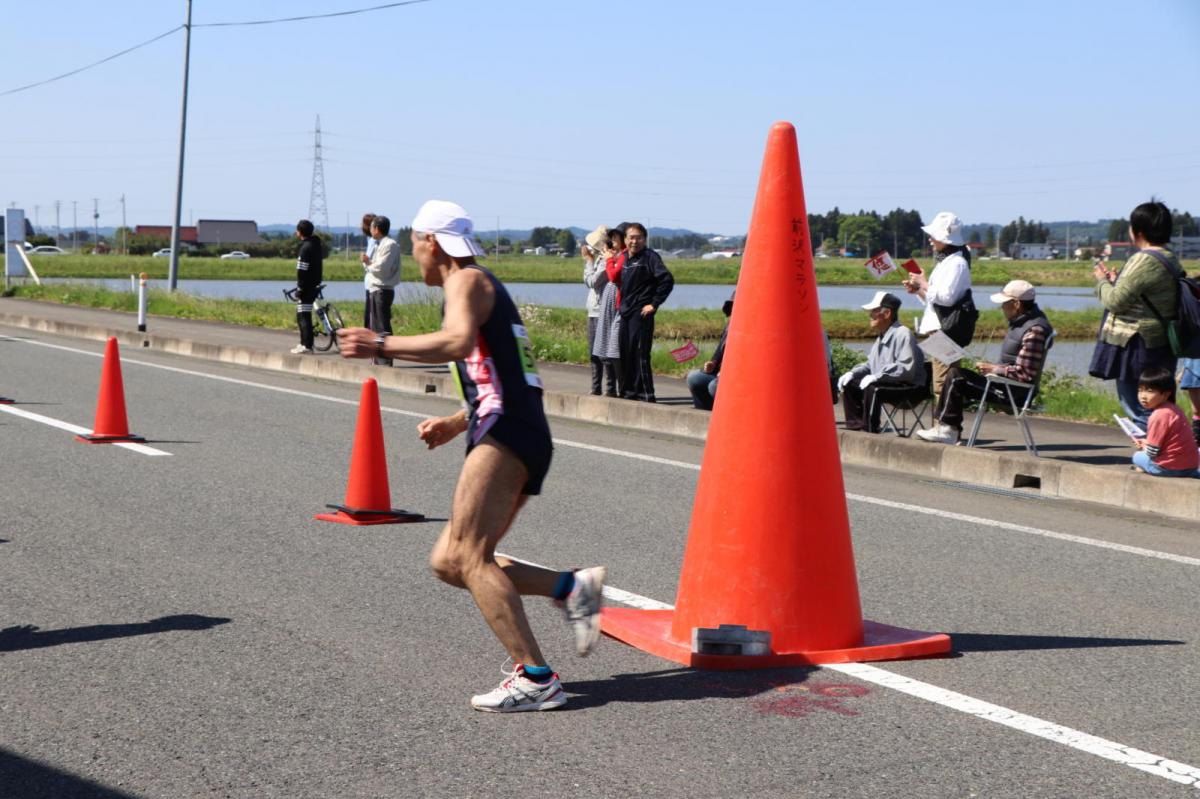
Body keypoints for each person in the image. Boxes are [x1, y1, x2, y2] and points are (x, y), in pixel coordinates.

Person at [337, 200, 606, 713]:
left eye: (415, 244)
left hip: (506, 433)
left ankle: (537, 677)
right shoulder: (480, 285)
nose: (414, 255)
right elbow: (504, 372)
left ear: (430, 242)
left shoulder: (466, 280)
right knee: (448, 562)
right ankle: (571, 588)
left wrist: (381, 343)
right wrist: (457, 421)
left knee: (468, 556)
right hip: (515, 427)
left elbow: (458, 342)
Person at [917, 280, 1053, 444]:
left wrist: (995, 369)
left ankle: (947, 430)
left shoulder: (1034, 330)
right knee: (956, 375)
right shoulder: (1023, 323)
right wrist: (995, 368)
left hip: (1013, 393)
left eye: (1005, 303)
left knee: (956, 377)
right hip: (1005, 385)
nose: (1002, 307)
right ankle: (948, 429)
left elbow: (1025, 374)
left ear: (1017, 304)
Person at [1090, 201, 1180, 431]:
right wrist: (1116, 282)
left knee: (1140, 405)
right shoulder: (1169, 257)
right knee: (1158, 402)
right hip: (1160, 341)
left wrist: (1101, 281)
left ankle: (1151, 449)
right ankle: (1163, 448)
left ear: (1137, 231)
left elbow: (1115, 301)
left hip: (1137, 342)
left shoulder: (1143, 260)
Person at [902, 211, 976, 405]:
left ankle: (944, 421)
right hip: (940, 329)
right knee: (942, 381)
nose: (930, 239)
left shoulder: (957, 263)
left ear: (945, 239)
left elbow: (947, 298)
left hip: (945, 331)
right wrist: (918, 289)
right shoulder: (947, 261)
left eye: (934, 235)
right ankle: (944, 420)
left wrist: (923, 283)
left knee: (943, 382)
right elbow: (935, 301)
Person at [837, 292, 926, 433]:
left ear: (887, 313)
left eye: (874, 311)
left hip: (909, 387)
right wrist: (852, 373)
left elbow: (905, 369)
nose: (870, 315)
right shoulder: (882, 336)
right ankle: (855, 425)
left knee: (873, 387)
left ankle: (870, 429)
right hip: (889, 383)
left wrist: (877, 376)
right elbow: (870, 365)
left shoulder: (903, 333)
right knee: (850, 383)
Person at [618, 223, 674, 402]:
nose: (635, 241)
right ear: (625, 239)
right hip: (626, 312)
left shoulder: (650, 257)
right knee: (625, 353)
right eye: (631, 237)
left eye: (639, 237)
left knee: (639, 353)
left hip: (641, 313)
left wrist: (654, 304)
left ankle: (645, 394)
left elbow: (667, 279)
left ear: (645, 239)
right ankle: (628, 392)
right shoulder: (624, 257)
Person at [1130, 367, 1199, 477]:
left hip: (1168, 468)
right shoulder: (1174, 409)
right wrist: (1145, 443)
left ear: (1166, 394)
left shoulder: (1158, 415)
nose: (1143, 396)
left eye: (1150, 391)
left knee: (1137, 456)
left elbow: (1152, 453)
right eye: (1140, 390)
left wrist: (1143, 446)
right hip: (1191, 466)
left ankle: (1147, 468)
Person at [362, 214, 402, 366]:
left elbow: (382, 269)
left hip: (382, 289)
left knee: (381, 326)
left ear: (377, 229)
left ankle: (384, 359)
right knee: (377, 326)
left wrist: (368, 263)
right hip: (377, 289)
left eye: (372, 227)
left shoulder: (389, 245)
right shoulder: (381, 244)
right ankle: (379, 358)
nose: (370, 230)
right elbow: (377, 266)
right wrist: (369, 263)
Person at [590, 226, 625, 397]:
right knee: (604, 347)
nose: (613, 242)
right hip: (606, 304)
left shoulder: (619, 257)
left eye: (616, 238)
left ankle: (616, 388)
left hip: (613, 306)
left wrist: (606, 260)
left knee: (613, 348)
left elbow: (599, 279)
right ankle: (610, 388)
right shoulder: (612, 256)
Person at [582, 225, 616, 396]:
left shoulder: (606, 260)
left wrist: (588, 261)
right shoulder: (600, 259)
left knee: (604, 352)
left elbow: (592, 282)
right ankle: (596, 387)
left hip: (602, 310)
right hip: (593, 310)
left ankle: (610, 388)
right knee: (593, 353)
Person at [686, 292, 734, 410]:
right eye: (732, 306)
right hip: (719, 373)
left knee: (714, 386)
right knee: (694, 377)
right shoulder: (729, 326)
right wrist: (712, 364)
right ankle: (704, 411)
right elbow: (719, 351)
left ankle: (722, 414)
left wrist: (725, 372)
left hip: (733, 376)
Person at [290, 219, 324, 355]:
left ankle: (306, 345)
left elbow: (302, 270)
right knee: (304, 314)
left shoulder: (305, 248)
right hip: (315, 283)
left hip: (307, 287)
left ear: (300, 232)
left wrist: (300, 288)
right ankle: (303, 343)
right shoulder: (316, 244)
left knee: (303, 316)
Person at [360, 211, 378, 332]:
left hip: (372, 283)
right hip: (372, 282)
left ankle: (370, 338)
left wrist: (364, 261)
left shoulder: (373, 240)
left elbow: (368, 262)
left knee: (371, 317)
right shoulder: (371, 239)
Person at [1179, 358, 1200, 446]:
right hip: (1191, 367)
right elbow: (1189, 353)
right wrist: (1183, 371)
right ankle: (1197, 441)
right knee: (1196, 410)